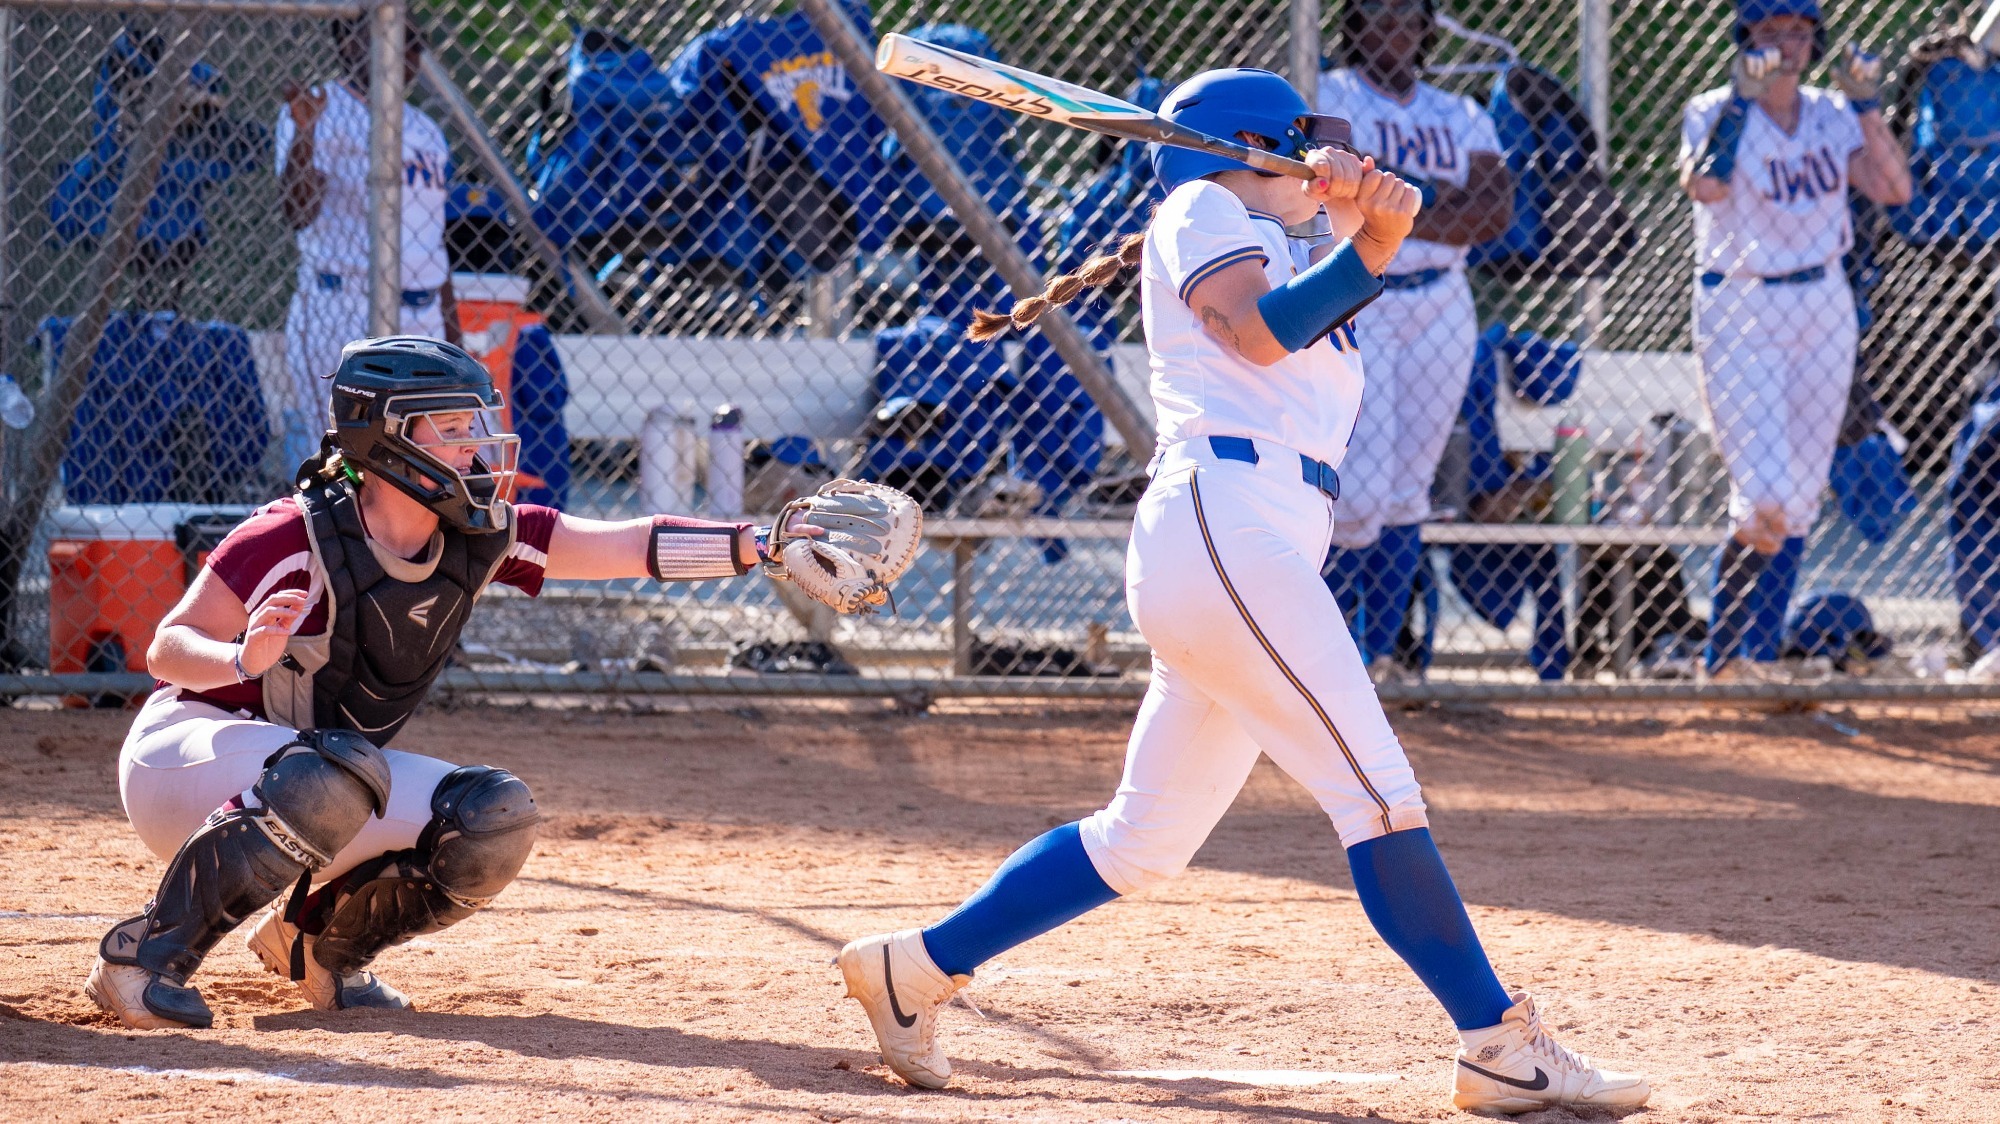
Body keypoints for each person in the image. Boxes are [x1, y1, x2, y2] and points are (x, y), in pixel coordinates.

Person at [836, 69, 1648, 1114]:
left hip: (1243, 537)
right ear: (1251, 146)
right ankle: (1497, 1043)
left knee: (1141, 839)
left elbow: (1300, 301)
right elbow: (1257, 331)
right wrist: (1369, 242)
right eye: (1300, 140)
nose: (1320, 153)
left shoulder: (1269, 234)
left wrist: (1358, 222)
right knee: (1377, 796)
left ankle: (911, 967)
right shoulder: (1199, 205)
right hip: (1225, 523)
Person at [82, 336, 907, 1030]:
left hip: (320, 776)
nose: (475, 446)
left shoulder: (478, 534)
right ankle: (142, 960)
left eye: (476, 424)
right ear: (383, 438)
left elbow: (626, 544)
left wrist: (762, 542)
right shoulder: (292, 534)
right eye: (451, 428)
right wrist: (242, 660)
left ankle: (316, 945)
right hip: (184, 759)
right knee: (331, 774)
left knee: (490, 817)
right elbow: (166, 649)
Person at [1679, 0, 1911, 678]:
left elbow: (1893, 187)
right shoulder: (1711, 108)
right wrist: (1741, 104)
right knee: (1764, 497)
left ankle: (1752, 662)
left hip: (1822, 304)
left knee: (1801, 504)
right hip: (1741, 302)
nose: (1786, 45)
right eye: (1771, 32)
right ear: (1745, 38)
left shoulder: (1833, 114)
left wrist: (1867, 106)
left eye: (1800, 32)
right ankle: (1722, 658)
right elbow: (1705, 185)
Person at [1315, 0, 1513, 682]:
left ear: (1427, 28)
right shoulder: (1332, 94)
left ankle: (1383, 657)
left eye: (1407, 16)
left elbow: (1493, 212)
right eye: (1377, 16)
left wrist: (1394, 208)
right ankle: (1328, 656)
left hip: (1441, 304)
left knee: (1408, 493)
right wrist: (1436, 204)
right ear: (1354, 26)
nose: (1393, 29)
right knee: (1359, 493)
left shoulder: (1461, 111)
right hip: (1360, 291)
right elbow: (1339, 199)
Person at [275, 18, 459, 472]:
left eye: (415, 41)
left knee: (424, 461)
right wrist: (305, 135)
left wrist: (453, 335)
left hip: (422, 315)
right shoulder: (319, 108)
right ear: (346, 40)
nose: (406, 51)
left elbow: (432, 239)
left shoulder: (426, 129)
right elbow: (299, 212)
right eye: (393, 36)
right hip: (341, 305)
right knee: (345, 459)